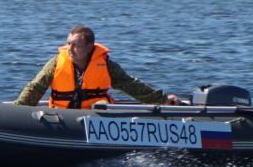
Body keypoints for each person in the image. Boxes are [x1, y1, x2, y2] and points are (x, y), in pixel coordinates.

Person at [14, 26, 183, 108]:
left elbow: (132, 85)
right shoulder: (56, 63)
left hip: (94, 117)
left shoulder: (107, 66)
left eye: (76, 45)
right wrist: (18, 110)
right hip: (62, 116)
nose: (70, 49)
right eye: (68, 44)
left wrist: (162, 99)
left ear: (89, 48)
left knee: (102, 104)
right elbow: (36, 86)